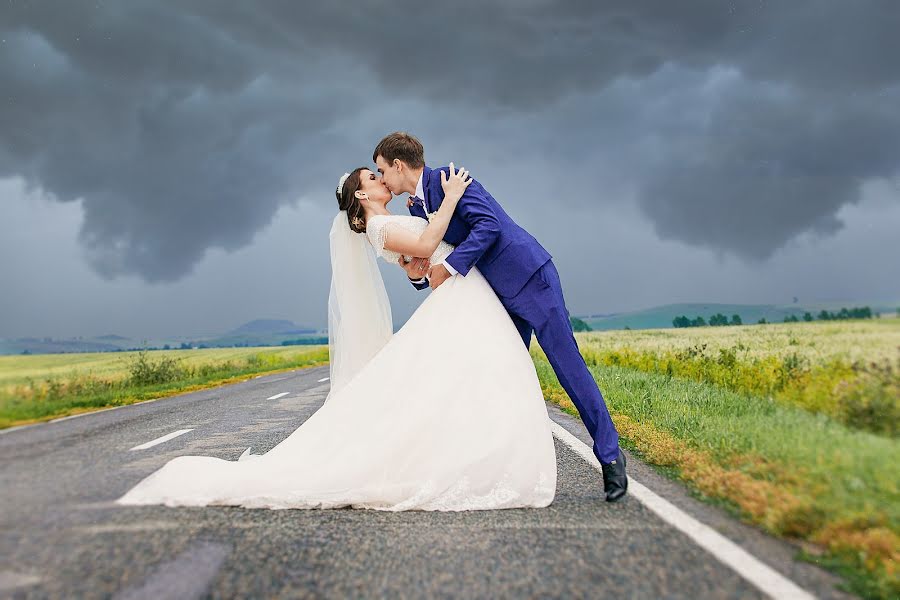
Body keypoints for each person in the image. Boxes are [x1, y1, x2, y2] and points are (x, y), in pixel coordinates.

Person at [115, 164, 557, 511]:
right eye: (373, 176)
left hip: (461, 292)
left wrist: (416, 267)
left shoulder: (386, 224)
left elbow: (419, 263)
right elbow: (425, 245)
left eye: (381, 172)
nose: (382, 179)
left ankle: (475, 451)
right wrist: (453, 199)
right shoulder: (382, 226)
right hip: (460, 293)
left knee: (452, 381)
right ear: (362, 194)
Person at [373, 132, 627, 501]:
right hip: (494, 296)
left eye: (382, 171)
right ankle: (503, 469)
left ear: (399, 165)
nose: (381, 179)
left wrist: (449, 268)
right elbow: (430, 252)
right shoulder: (415, 208)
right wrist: (421, 274)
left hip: (529, 277)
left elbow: (488, 226)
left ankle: (609, 455)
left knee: (568, 368)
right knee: (501, 377)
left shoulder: (450, 181)